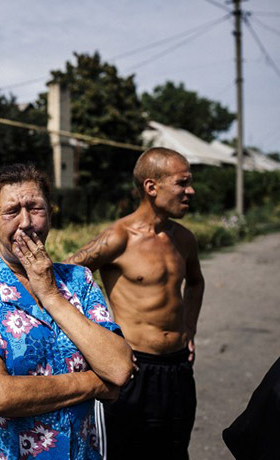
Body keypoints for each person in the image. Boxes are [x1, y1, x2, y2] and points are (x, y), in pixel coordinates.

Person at [0, 163, 133, 459]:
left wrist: (50, 294)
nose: (26, 223)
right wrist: (94, 383)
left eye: (35, 208)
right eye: (11, 212)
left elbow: (120, 367)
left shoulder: (78, 280)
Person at [64, 147, 205, 460]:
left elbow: (196, 282)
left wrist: (190, 329)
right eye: (182, 183)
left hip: (178, 368)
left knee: (175, 451)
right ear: (151, 187)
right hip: (134, 370)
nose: (190, 191)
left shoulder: (183, 239)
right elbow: (64, 280)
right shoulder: (119, 237)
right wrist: (99, 340)